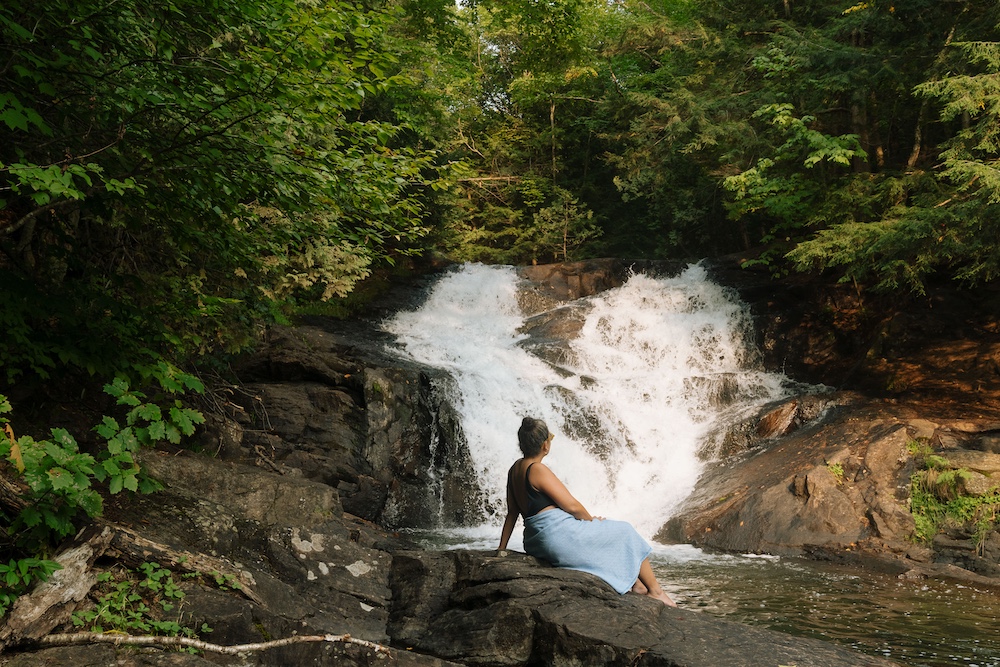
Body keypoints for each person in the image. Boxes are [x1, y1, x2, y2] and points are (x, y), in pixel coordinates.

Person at [498, 417, 676, 606]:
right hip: (557, 537)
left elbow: (512, 513)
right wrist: (591, 522)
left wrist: (501, 549)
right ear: (545, 445)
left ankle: (638, 586)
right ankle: (656, 591)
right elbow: (573, 506)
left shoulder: (514, 469)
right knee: (625, 531)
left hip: (535, 541)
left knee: (606, 536)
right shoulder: (537, 469)